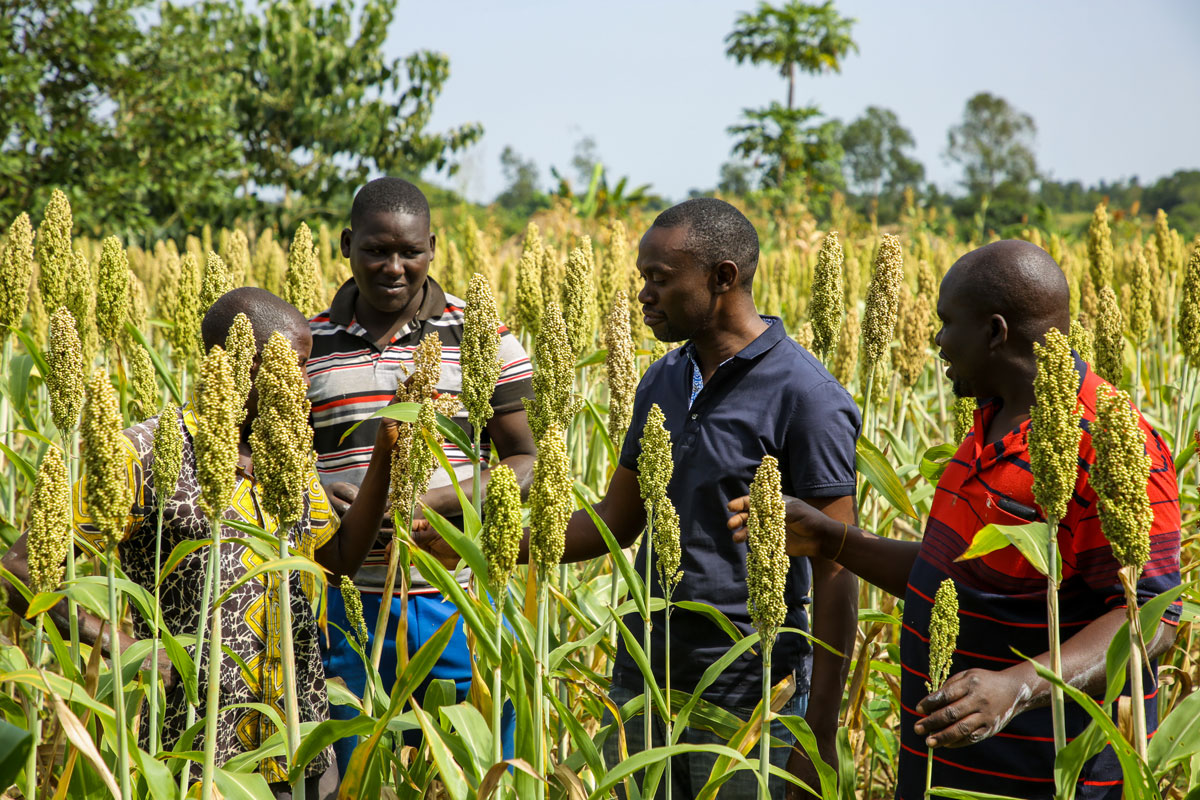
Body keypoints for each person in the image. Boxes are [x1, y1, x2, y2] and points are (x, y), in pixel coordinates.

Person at [420, 197, 861, 799]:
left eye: (659, 279)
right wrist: (484, 547)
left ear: (723, 277)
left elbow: (837, 569)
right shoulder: (663, 379)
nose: (644, 296)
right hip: (645, 673)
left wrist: (821, 733)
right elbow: (615, 522)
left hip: (749, 686)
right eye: (641, 280)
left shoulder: (806, 395)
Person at [728, 240, 1182, 799]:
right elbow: (952, 580)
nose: (936, 340)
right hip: (947, 769)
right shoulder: (987, 423)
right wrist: (831, 539)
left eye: (947, 323)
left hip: (1049, 777)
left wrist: (1017, 686)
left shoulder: (1111, 443)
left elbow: (1151, 620)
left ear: (995, 332)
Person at [2, 287, 401, 799]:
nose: (304, 384)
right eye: (289, 366)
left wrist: (385, 454)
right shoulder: (145, 452)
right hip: (194, 744)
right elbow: (21, 569)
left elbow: (340, 557)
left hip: (298, 736)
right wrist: (122, 644)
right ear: (232, 363)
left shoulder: (285, 455)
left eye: (305, 367)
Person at [307, 177, 536, 774]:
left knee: (473, 768)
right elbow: (272, 457)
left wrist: (431, 501)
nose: (393, 267)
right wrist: (313, 491)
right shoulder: (309, 343)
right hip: (342, 601)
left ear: (433, 247)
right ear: (345, 244)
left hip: (455, 598)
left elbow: (526, 459)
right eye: (376, 250)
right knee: (349, 775)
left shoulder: (483, 338)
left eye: (410, 252)